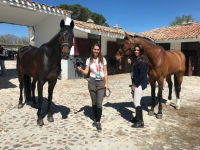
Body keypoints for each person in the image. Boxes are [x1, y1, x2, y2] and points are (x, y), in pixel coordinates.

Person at [77, 43, 108, 132]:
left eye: (98, 49)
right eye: (95, 49)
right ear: (92, 50)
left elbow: (105, 72)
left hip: (101, 82)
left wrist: (106, 83)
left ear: (99, 50)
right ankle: (95, 118)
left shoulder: (103, 60)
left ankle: (98, 121)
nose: (96, 51)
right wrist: (81, 70)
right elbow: (86, 72)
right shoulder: (88, 60)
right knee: (94, 102)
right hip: (92, 82)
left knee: (99, 102)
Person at [128, 44, 148, 128]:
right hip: (137, 83)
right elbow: (136, 71)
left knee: (137, 102)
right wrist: (131, 63)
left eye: (138, 50)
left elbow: (142, 75)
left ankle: (140, 122)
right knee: (135, 101)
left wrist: (135, 84)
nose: (136, 51)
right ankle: (137, 117)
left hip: (139, 84)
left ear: (141, 51)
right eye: (135, 50)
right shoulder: (137, 59)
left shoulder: (142, 61)